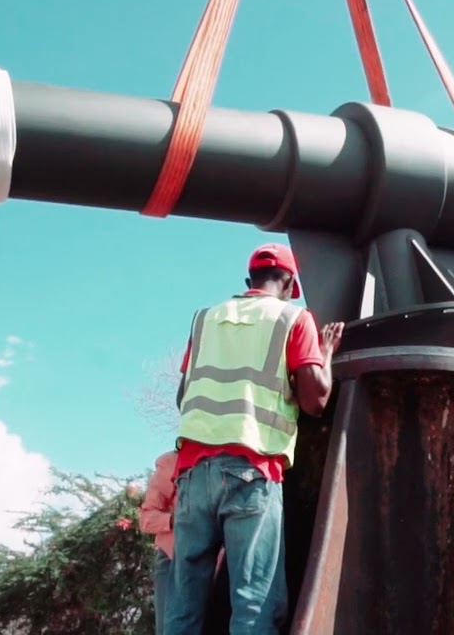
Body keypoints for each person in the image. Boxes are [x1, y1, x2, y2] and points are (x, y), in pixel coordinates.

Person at [169, 243, 343, 635]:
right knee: (255, 603)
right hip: (251, 471)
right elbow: (316, 401)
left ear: (249, 281)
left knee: (183, 607)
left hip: (192, 475)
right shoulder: (293, 319)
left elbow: (184, 395)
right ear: (288, 283)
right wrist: (326, 353)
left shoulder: (205, 319)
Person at [139, 449, 180, 635]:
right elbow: (146, 518)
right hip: (173, 561)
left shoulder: (231, 456)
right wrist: (175, 520)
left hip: (219, 565)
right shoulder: (172, 460)